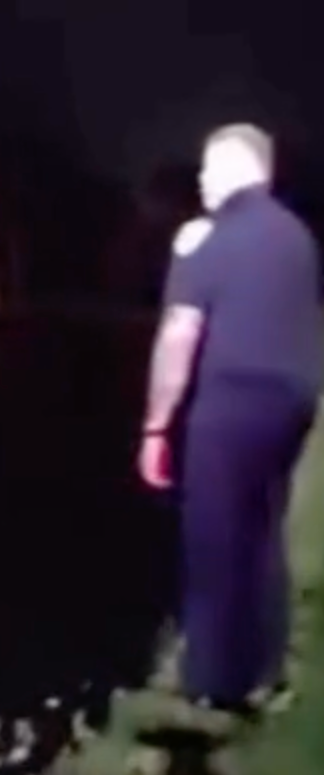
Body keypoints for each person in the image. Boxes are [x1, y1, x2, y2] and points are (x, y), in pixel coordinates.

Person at [138, 123, 322, 715]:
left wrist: (156, 426)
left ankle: (210, 685)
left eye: (207, 171)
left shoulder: (207, 240)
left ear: (236, 168)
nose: (201, 182)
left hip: (231, 403)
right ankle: (268, 672)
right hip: (291, 405)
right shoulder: (299, 238)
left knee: (213, 538)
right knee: (263, 532)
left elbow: (179, 335)